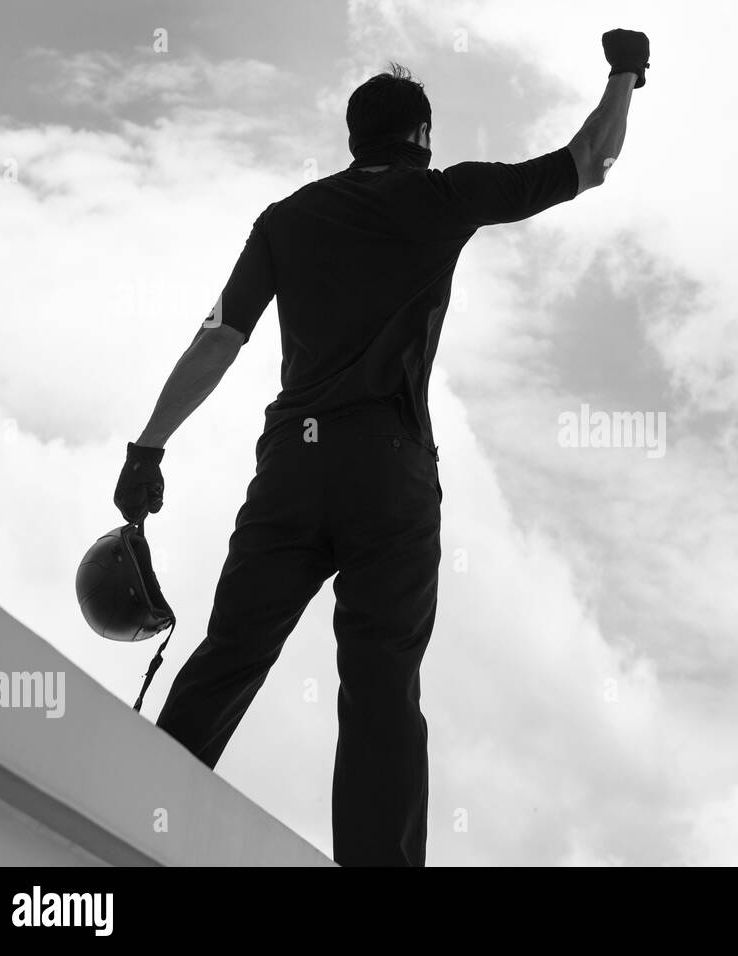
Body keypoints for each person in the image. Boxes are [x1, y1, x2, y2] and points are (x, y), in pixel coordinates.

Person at [111, 29, 649, 866]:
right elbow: (591, 161)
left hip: (292, 468)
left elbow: (218, 340)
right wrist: (625, 74)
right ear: (422, 135)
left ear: (353, 138)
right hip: (388, 471)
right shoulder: (443, 196)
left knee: (232, 652)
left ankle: (128, 820)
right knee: (380, 684)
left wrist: (148, 448)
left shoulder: (286, 219)